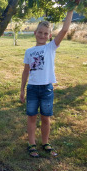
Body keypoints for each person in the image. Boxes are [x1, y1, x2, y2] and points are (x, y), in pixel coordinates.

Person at [20, 10, 74, 158]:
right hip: (32, 89)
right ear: (35, 33)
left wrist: (70, 10)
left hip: (47, 89)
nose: (42, 35)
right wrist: (22, 90)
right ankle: (31, 143)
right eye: (40, 32)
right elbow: (26, 72)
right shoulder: (29, 51)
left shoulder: (51, 47)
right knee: (31, 117)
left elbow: (64, 30)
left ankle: (45, 143)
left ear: (49, 36)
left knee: (45, 118)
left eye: (46, 33)